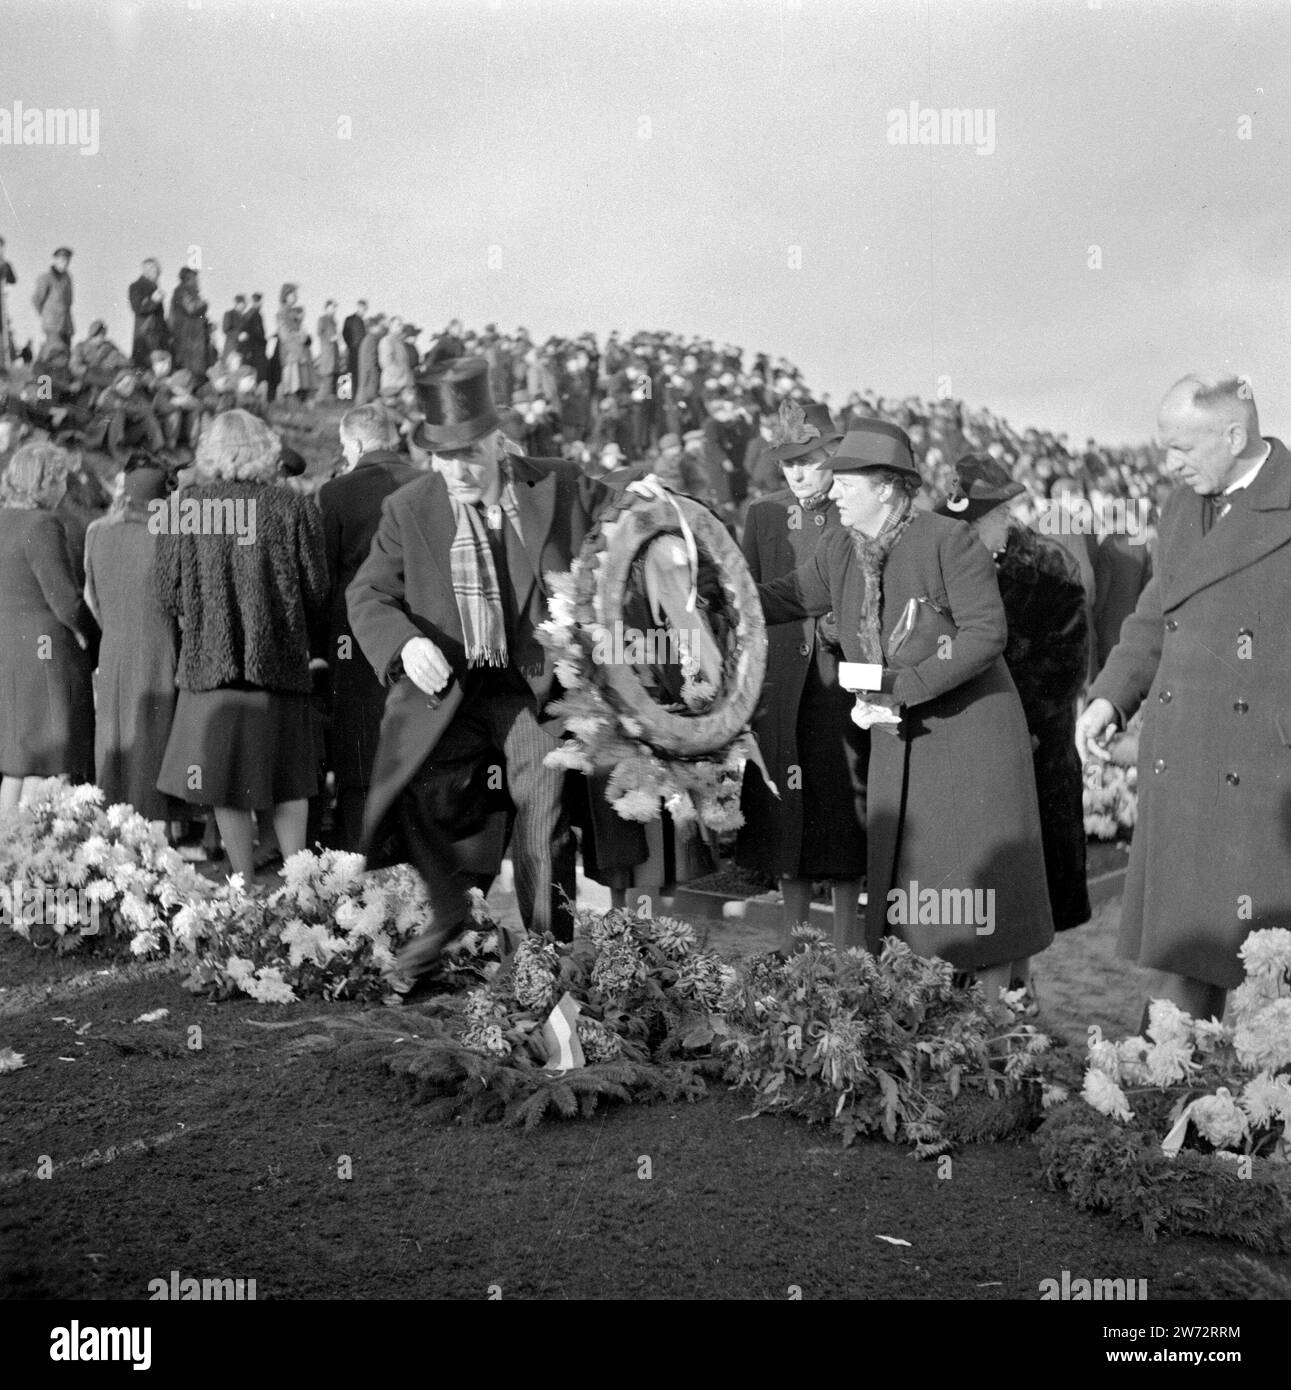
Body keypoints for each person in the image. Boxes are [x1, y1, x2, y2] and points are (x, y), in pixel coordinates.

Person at [347, 357, 623, 988]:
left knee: (542, 817)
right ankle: (448, 913)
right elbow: (368, 595)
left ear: (498, 441)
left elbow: (624, 510)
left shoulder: (557, 483)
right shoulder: (408, 507)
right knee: (408, 793)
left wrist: (658, 503)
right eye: (443, 457)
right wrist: (405, 643)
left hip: (533, 692)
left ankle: (548, 962)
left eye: (470, 454)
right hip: (452, 693)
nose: (458, 471)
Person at [758, 420, 1054, 1002]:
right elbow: (790, 595)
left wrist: (906, 686)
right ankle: (927, 1009)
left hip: (970, 736)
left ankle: (991, 1015)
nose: (832, 492)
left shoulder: (948, 539)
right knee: (912, 878)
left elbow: (985, 633)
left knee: (975, 876)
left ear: (888, 488)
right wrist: (712, 587)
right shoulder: (840, 546)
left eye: (846, 481)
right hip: (900, 736)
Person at [1077, 375, 1291, 1022]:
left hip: (1262, 776)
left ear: (1233, 434)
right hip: (1185, 762)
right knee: (1190, 959)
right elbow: (1151, 619)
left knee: (1264, 976)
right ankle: (1175, 1094)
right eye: (1162, 448)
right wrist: (1108, 700)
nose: (1168, 464)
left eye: (1181, 448)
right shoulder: (1178, 505)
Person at [154, 410, 328, 883]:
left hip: (212, 661)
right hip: (279, 659)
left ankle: (240, 881)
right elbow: (316, 587)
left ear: (212, 451)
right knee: (290, 776)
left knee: (224, 779)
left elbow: (166, 590)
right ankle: (300, 884)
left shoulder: (186, 507)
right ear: (265, 450)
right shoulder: (294, 506)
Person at [936, 454, 1091, 943]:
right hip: (963, 743)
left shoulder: (1050, 566)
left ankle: (1021, 981)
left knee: (1030, 877)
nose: (995, 523)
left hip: (1034, 744)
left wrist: (1009, 723)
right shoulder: (944, 566)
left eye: (995, 514)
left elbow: (1066, 666)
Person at [736, 400, 867, 950]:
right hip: (783, 684)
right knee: (787, 815)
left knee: (843, 809)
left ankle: (844, 944)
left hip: (841, 680)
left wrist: (842, 623)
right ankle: (794, 942)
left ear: (833, 455)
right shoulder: (764, 514)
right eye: (788, 462)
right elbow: (747, 595)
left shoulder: (855, 511)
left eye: (808, 461)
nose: (795, 472)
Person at [315, 404, 418, 849]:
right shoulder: (428, 484)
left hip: (354, 634)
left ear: (354, 445)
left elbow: (322, 573)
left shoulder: (335, 493)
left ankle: (361, 854)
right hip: (421, 631)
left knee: (358, 748)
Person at [83, 454, 180, 825]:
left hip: (114, 644)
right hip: (158, 643)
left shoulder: (98, 532)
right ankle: (155, 828)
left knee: (112, 735)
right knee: (153, 737)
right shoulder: (167, 535)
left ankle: (111, 824)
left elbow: (92, 596)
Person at [0, 441, 96, 811]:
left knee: (17, 765)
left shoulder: (4, 518)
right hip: (46, 653)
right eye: (59, 479)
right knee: (48, 762)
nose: (65, 487)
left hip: (11, 648)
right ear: (42, 482)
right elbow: (66, 601)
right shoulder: (43, 524)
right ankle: (41, 858)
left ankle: (11, 857)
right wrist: (96, 639)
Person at [275, 284, 314, 409]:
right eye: (292, 294)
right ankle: (291, 409)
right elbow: (285, 335)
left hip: (298, 352)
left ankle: (299, 409)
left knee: (299, 381)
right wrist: (300, 336)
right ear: (285, 296)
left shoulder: (293, 312)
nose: (295, 296)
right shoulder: (283, 312)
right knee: (292, 382)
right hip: (291, 353)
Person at [32, 247, 74, 361]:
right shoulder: (46, 278)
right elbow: (36, 299)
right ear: (55, 260)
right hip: (52, 324)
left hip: (66, 323)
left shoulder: (67, 278)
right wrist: (46, 315)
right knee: (53, 352)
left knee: (66, 352)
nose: (65, 263)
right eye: (62, 260)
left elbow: (69, 301)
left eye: (67, 260)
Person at [168, 268, 212, 377]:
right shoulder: (181, 291)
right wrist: (204, 304)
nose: (197, 281)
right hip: (187, 338)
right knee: (189, 370)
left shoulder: (189, 293)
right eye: (195, 278)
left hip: (192, 338)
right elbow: (191, 308)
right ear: (188, 279)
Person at [128, 259, 169, 368]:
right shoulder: (137, 286)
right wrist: (154, 301)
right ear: (146, 270)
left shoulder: (153, 287)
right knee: (145, 368)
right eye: (155, 270)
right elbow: (137, 308)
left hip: (155, 337)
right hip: (146, 338)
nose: (158, 273)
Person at [378, 315, 413, 400]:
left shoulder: (400, 342)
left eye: (401, 325)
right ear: (390, 326)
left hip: (402, 384)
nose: (401, 327)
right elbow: (386, 363)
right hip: (393, 386)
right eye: (398, 325)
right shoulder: (386, 341)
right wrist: (402, 377)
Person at [239, 292, 268, 383]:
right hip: (254, 350)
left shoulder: (251, 314)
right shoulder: (252, 314)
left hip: (255, 349)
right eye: (259, 301)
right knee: (255, 375)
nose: (260, 304)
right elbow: (248, 332)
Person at [315, 300, 339, 401]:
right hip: (327, 353)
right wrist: (329, 339)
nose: (334, 309)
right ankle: (319, 400)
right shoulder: (323, 319)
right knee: (327, 377)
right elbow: (319, 333)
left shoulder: (333, 321)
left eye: (335, 307)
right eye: (333, 307)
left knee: (333, 377)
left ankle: (330, 400)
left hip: (334, 352)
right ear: (327, 307)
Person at [341, 301, 367, 386]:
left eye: (365, 309)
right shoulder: (350, 319)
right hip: (353, 349)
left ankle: (355, 393)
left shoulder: (362, 321)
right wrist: (350, 345)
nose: (364, 311)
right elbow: (345, 333)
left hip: (361, 350)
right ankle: (345, 394)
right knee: (350, 370)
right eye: (363, 308)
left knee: (358, 371)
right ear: (358, 307)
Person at [0, 235, 16, 370]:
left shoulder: (5, 264)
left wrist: (5, 269)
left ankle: (5, 364)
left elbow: (13, 279)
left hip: (1, 304)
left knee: (3, 330)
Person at [220, 294, 247, 361]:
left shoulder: (244, 317)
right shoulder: (229, 314)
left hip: (242, 349)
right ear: (239, 303)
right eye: (244, 303)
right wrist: (238, 335)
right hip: (232, 348)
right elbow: (225, 329)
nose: (246, 306)